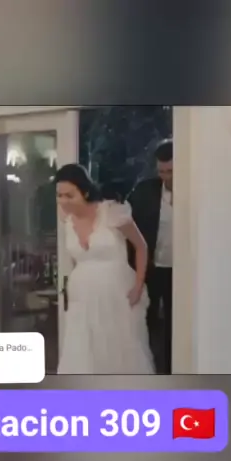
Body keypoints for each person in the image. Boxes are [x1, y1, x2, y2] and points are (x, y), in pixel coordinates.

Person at [55, 164, 155, 374]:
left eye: (70, 195)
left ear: (85, 192)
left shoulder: (112, 212)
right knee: (82, 350)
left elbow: (141, 247)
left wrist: (138, 286)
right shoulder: (66, 219)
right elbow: (75, 259)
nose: (64, 201)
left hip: (116, 294)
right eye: (60, 195)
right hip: (82, 298)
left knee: (120, 349)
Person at [128, 138, 173, 373]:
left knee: (176, 324)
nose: (166, 177)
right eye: (162, 172)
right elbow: (128, 226)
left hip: (181, 270)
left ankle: (173, 369)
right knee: (148, 320)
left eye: (171, 171)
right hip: (152, 268)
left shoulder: (197, 193)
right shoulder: (145, 192)